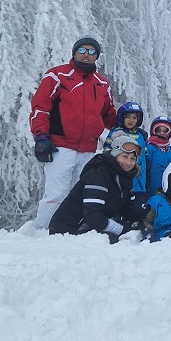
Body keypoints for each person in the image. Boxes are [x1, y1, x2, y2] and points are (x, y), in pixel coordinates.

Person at [30, 37, 117, 228]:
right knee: (56, 193)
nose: (86, 55)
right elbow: (40, 107)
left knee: (82, 193)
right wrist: (41, 136)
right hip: (60, 146)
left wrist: (128, 129)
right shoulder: (57, 75)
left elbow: (109, 115)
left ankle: (72, 231)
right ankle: (44, 231)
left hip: (88, 149)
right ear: (74, 52)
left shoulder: (102, 83)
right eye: (82, 50)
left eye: (92, 52)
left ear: (96, 56)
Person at [48, 135, 146, 242]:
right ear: (115, 156)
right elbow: (93, 216)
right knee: (123, 241)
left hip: (93, 224)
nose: (128, 163)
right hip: (67, 231)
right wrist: (123, 230)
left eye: (133, 159)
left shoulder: (125, 177)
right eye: (124, 157)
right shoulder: (98, 174)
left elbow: (128, 210)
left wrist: (149, 215)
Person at [104, 102, 149, 200]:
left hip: (140, 182)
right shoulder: (116, 133)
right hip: (120, 181)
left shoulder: (141, 136)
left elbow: (146, 156)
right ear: (122, 118)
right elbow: (107, 155)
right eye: (128, 117)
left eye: (134, 118)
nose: (131, 120)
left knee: (136, 205)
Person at [146, 117, 171, 198]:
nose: (161, 133)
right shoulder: (149, 148)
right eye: (158, 131)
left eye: (165, 131)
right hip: (152, 188)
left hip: (169, 188)